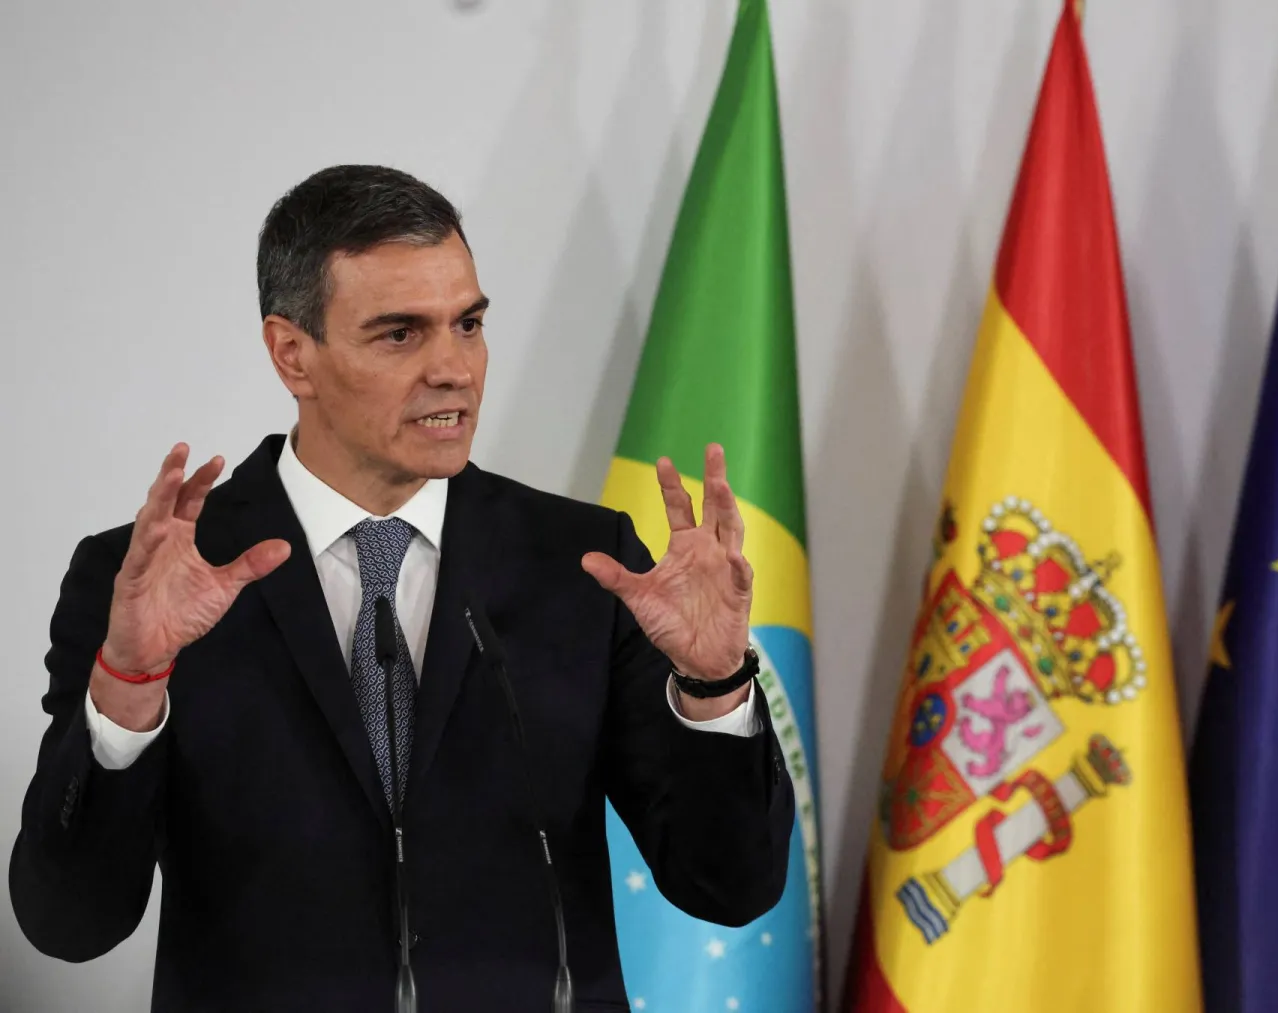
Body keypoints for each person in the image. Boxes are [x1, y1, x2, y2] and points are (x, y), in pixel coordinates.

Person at [9, 165, 794, 1011]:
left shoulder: (584, 562)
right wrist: (129, 686)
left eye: (469, 323)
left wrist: (714, 686)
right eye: (400, 334)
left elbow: (729, 887)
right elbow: (70, 923)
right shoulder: (152, 580)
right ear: (292, 353)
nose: (454, 368)